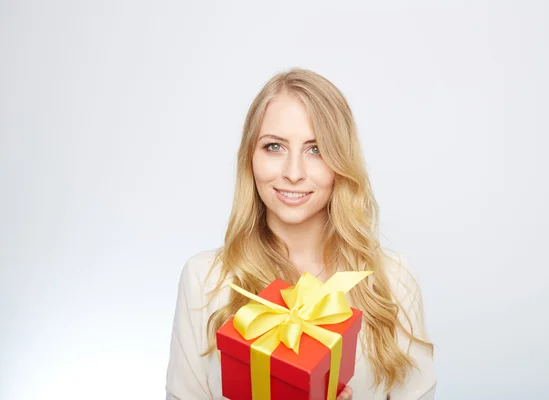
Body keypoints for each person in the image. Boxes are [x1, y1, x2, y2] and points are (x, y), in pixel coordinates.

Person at [165, 68, 436, 399]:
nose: (293, 173)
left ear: (341, 161)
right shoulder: (204, 280)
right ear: (250, 157)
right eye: (274, 147)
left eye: (316, 149)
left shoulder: (392, 280)